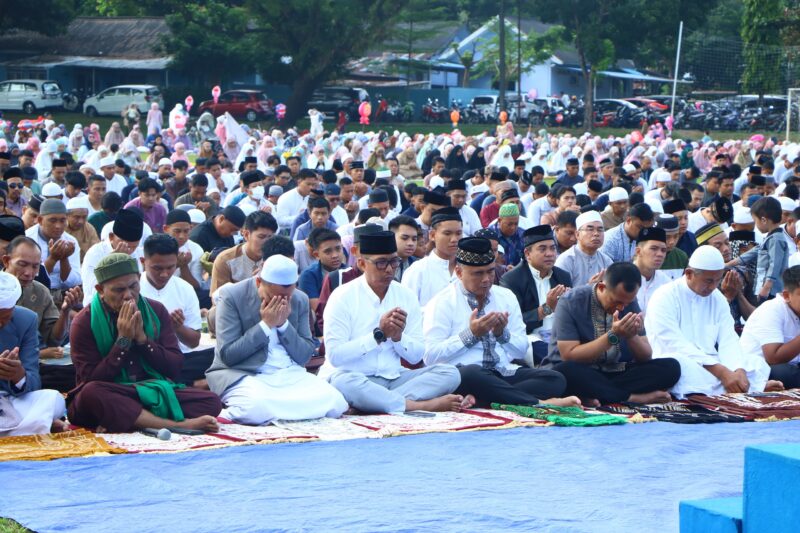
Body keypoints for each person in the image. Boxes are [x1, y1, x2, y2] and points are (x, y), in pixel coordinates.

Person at [67, 253, 222, 433]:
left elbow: (174, 367)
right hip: (113, 392)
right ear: (100, 289)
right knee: (91, 393)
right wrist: (122, 341)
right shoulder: (83, 322)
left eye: (133, 286)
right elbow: (91, 379)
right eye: (119, 290)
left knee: (211, 402)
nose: (128, 295)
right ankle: (176, 425)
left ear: (139, 279)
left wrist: (143, 340)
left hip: (151, 391)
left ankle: (130, 419)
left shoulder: (156, 311)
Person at [424, 236, 577, 408]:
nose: (486, 279)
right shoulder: (442, 302)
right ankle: (538, 402)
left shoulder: (505, 296)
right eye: (478, 273)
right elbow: (430, 357)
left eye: (490, 271)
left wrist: (502, 335)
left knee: (555, 379)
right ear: (459, 272)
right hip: (465, 375)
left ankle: (483, 400)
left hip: (501, 372)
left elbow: (520, 350)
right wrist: (470, 335)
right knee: (471, 373)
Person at [321, 231, 465, 413]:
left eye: (394, 262)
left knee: (450, 373)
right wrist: (378, 335)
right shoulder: (342, 297)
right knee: (344, 382)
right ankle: (417, 405)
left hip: (394, 378)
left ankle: (371, 405)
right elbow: (335, 356)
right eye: (381, 263)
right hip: (354, 377)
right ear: (362, 264)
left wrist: (398, 338)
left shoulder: (405, 295)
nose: (389, 269)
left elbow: (416, 356)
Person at [208, 255, 347, 424]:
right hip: (246, 373)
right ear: (259, 282)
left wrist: (283, 325)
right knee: (256, 405)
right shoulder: (232, 296)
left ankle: (275, 412)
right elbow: (228, 355)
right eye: (275, 296)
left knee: (335, 401)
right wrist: (266, 324)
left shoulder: (299, 299)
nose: (281, 301)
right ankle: (237, 412)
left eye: (287, 296)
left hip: (288, 372)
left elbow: (304, 355)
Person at [646, 246, 781, 398]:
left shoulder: (717, 298)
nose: (713, 287)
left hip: (712, 361)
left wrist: (738, 369)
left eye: (718, 280)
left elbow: (728, 338)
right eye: (709, 281)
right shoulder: (664, 296)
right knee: (677, 367)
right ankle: (751, 387)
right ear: (689, 274)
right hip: (679, 360)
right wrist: (722, 372)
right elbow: (674, 343)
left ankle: (741, 385)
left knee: (754, 361)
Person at [543, 263, 681, 405]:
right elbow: (569, 355)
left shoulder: (628, 300)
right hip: (580, 370)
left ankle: (599, 394)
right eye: (617, 302)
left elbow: (645, 357)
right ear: (602, 287)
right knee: (567, 372)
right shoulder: (571, 301)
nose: (621, 308)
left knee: (671, 367)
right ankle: (631, 398)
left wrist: (631, 336)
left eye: (626, 303)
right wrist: (612, 336)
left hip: (613, 371)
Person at [138, 235, 212, 387]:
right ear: (143, 261)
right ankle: (189, 384)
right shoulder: (133, 288)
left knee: (218, 356)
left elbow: (193, 342)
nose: (164, 274)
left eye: (170, 267)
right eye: (157, 268)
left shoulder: (185, 289)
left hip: (179, 358)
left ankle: (170, 383)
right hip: (143, 356)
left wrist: (178, 327)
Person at [0, 272, 67, 436]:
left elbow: (34, 380)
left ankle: (21, 428)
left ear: (12, 309)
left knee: (54, 399)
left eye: (4, 318)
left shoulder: (26, 320)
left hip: (10, 400)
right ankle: (37, 425)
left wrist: (18, 375)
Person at [500, 225, 572, 366]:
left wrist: (571, 303)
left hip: (561, 334)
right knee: (558, 356)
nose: (550, 254)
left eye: (552, 248)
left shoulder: (562, 276)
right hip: (531, 337)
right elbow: (512, 324)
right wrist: (546, 309)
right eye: (542, 249)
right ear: (527, 254)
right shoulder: (511, 280)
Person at [4, 236, 81, 358]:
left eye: (35, 266)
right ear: (7, 261)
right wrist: (39, 354)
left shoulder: (40, 291)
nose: (29, 273)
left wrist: (65, 311)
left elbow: (54, 340)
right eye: (22, 264)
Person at [740, 266, 800, 389]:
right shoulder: (772, 309)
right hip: (758, 369)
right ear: (787, 296)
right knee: (785, 372)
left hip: (790, 366)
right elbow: (773, 358)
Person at [81, 208, 145, 306]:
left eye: (133, 247)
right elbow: (92, 293)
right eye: (125, 245)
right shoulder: (95, 254)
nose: (129, 251)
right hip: (101, 309)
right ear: (111, 237)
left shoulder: (139, 253)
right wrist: (113, 263)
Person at [402, 207, 462, 308]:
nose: (454, 239)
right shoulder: (417, 270)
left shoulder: (469, 269)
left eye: (458, 233)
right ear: (432, 235)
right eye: (447, 233)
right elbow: (408, 310)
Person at [733, 197, 790, 303]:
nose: (755, 225)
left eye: (755, 221)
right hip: (764, 286)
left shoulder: (776, 239)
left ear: (763, 220)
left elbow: (775, 264)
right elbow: (755, 251)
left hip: (771, 291)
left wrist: (766, 287)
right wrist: (730, 263)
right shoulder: (771, 237)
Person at [25, 199, 82, 304]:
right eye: (53, 220)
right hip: (33, 292)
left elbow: (75, 281)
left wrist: (64, 258)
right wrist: (53, 258)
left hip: (62, 293)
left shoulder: (71, 241)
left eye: (62, 220)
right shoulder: (27, 239)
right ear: (40, 220)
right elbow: (31, 278)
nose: (58, 226)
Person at [210, 211, 277, 295]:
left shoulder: (277, 259)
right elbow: (217, 298)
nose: (267, 243)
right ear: (246, 235)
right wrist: (250, 284)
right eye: (261, 237)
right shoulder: (225, 260)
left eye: (270, 237)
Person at [554, 210, 613, 286]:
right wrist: (589, 287)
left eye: (600, 230)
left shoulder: (606, 261)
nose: (596, 234)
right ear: (577, 234)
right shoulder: (566, 260)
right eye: (590, 229)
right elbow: (561, 292)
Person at [298, 228, 343, 311]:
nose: (335, 255)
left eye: (338, 249)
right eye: (328, 251)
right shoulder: (308, 275)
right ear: (317, 255)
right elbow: (318, 310)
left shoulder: (350, 271)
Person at [632, 227, 670, 314]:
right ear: (638, 251)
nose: (660, 254)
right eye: (654, 248)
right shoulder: (622, 277)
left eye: (663, 250)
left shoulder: (666, 283)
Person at [487, 202, 525, 267]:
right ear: (499, 220)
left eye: (516, 224)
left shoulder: (523, 234)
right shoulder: (489, 235)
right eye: (509, 224)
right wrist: (503, 269)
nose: (513, 228)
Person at [65, 196, 99, 262]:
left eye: (84, 217)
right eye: (76, 217)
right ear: (67, 216)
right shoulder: (60, 228)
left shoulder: (89, 228)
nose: (81, 221)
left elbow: (96, 250)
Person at [388, 215, 419, 281]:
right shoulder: (381, 264)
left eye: (414, 239)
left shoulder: (418, 265)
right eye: (404, 238)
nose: (411, 243)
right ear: (391, 237)